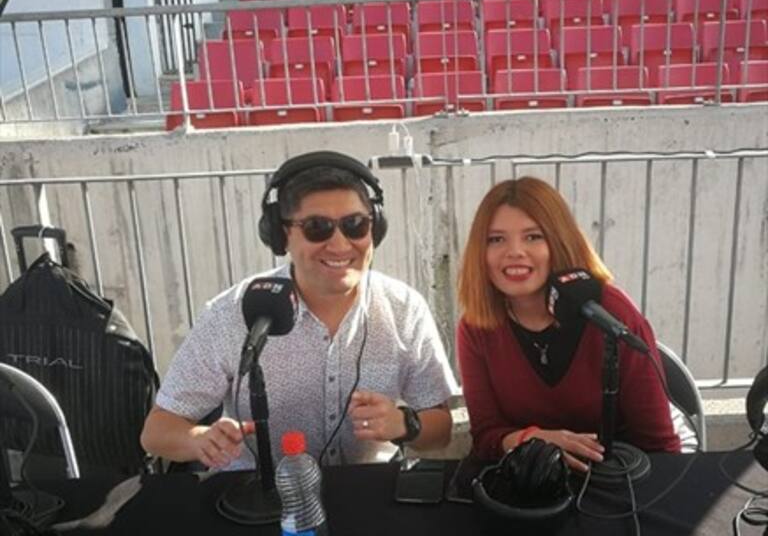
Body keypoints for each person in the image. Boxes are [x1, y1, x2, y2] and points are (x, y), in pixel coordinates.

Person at [140, 151, 458, 470]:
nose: (339, 244)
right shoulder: (231, 313)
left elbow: (441, 429)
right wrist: (199, 439)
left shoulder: (404, 309)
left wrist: (405, 424)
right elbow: (157, 431)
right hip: (260, 495)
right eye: (317, 227)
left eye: (355, 225)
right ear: (281, 236)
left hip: (368, 488)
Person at [457, 177, 680, 471]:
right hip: (528, 477)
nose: (514, 251)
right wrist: (534, 441)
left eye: (533, 236)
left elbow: (659, 445)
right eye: (496, 239)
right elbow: (486, 440)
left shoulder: (612, 312)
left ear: (559, 241)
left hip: (614, 478)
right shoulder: (475, 327)